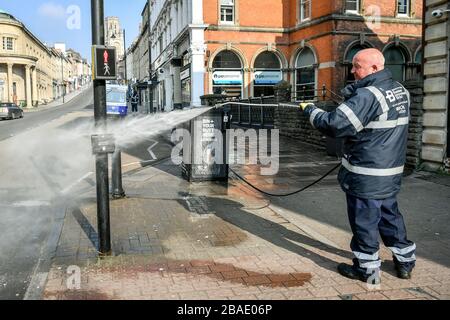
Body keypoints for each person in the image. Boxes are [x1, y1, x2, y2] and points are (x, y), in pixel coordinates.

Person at [300, 48, 416, 284]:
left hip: (365, 176)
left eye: (357, 66)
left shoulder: (369, 95)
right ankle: (405, 263)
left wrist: (310, 110)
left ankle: (367, 271)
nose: (352, 70)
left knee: (364, 223)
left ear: (374, 67)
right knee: (390, 218)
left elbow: (334, 124)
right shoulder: (400, 90)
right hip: (390, 174)